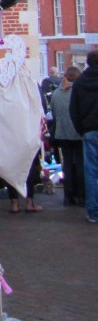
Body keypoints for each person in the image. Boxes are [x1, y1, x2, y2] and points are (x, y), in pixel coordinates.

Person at [69, 51, 98, 223]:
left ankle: (93, 212)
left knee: (91, 172)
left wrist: (82, 129)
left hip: (89, 130)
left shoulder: (80, 83)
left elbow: (74, 110)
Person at [50, 66, 85, 207]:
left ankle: (68, 197)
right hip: (78, 132)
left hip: (62, 133)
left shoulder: (57, 94)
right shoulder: (79, 92)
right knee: (81, 165)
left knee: (67, 165)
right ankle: (81, 196)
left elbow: (53, 112)